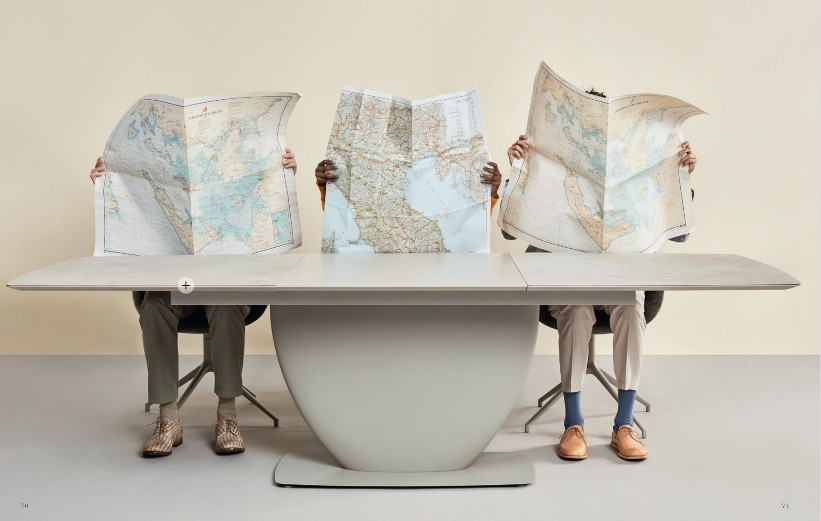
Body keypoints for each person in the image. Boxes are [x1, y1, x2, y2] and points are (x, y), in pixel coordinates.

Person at [506, 89, 698, 461]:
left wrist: (682, 178)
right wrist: (517, 170)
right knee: (577, 308)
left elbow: (682, 235)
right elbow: (511, 232)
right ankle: (573, 424)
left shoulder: (635, 167)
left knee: (630, 304)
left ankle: (623, 425)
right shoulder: (550, 165)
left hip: (619, 281)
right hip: (567, 283)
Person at [89, 149, 298, 457]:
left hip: (228, 284)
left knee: (226, 304)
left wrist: (283, 176)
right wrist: (107, 185)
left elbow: (268, 221)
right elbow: (132, 222)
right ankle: (168, 419)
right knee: (155, 306)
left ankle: (227, 417)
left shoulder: (241, 171)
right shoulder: (164, 175)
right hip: (177, 285)